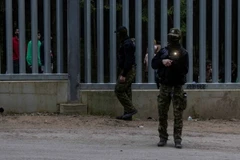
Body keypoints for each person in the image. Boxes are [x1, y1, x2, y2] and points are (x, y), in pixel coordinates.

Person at [151, 28, 189, 149]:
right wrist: (163, 61)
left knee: (178, 114)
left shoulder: (183, 53)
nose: (172, 39)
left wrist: (174, 63)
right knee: (162, 113)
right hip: (165, 86)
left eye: (174, 37)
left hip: (177, 86)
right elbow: (153, 64)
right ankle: (163, 137)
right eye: (171, 36)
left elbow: (185, 70)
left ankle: (177, 139)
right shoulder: (163, 51)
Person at [114, 26, 138, 121]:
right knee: (127, 91)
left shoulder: (127, 44)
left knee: (118, 89)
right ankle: (127, 115)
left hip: (128, 70)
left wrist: (123, 74)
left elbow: (129, 60)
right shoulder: (126, 43)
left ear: (121, 34)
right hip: (128, 69)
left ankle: (131, 110)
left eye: (118, 34)